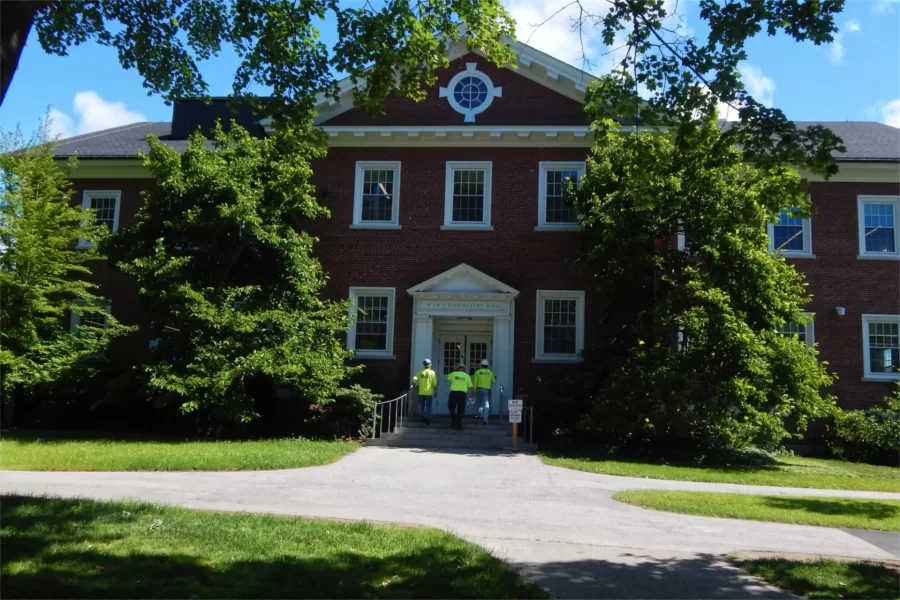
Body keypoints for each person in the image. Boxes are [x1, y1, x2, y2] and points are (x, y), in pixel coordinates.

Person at [446, 363, 473, 430]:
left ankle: (454, 421)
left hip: (453, 393)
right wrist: (472, 394)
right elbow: (470, 387)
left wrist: (454, 370)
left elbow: (448, 377)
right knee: (460, 410)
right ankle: (458, 424)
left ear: (458, 368)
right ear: (464, 370)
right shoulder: (467, 376)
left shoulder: (453, 374)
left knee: (451, 407)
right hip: (462, 394)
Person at [412, 359, 437, 426]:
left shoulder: (420, 372)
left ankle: (422, 417)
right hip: (428, 392)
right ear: (430, 365)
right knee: (428, 406)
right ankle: (427, 419)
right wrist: (435, 391)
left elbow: (414, 379)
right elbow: (434, 383)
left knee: (422, 405)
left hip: (421, 392)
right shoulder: (432, 372)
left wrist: (415, 384)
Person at [473, 359, 496, 425]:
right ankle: (485, 419)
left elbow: (475, 382)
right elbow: (493, 381)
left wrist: (474, 390)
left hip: (479, 389)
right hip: (486, 390)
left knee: (479, 402)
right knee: (485, 404)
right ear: (487, 365)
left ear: (481, 365)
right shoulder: (490, 372)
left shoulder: (477, 372)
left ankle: (478, 415)